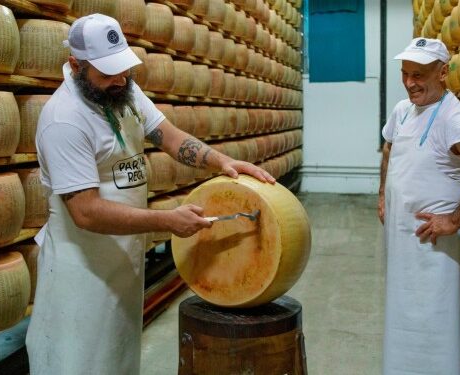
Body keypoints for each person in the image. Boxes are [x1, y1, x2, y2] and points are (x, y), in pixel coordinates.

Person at [26, 14, 275, 375]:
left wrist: (223, 162)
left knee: (117, 360)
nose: (119, 79)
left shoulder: (123, 90)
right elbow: (86, 212)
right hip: (79, 270)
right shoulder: (64, 119)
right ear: (75, 65)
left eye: (124, 69)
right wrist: (167, 220)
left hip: (121, 260)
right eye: (107, 73)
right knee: (74, 362)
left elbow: (169, 137)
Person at [378, 38, 460, 374]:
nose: (410, 83)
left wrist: (453, 220)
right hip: (403, 244)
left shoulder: (454, 118)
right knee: (403, 323)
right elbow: (389, 148)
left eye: (419, 74)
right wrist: (384, 196)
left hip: (438, 249)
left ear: (443, 72)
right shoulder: (403, 111)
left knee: (438, 333)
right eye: (405, 73)